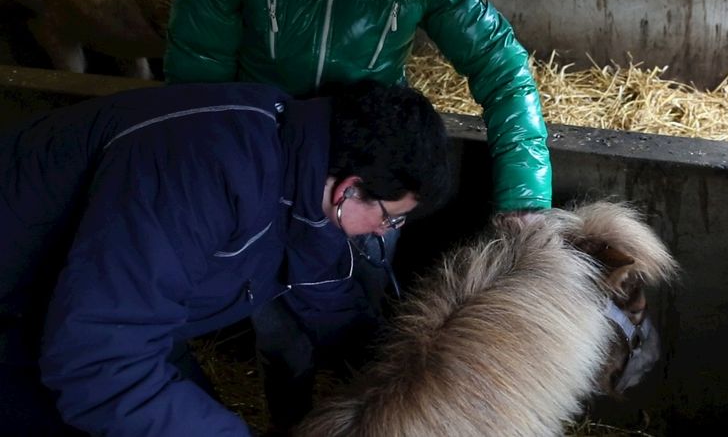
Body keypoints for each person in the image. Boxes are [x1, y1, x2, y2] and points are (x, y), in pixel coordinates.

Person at [163, 0, 552, 429]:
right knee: (279, 331)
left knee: (372, 327)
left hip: (371, 178)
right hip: (269, 179)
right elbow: (194, 86)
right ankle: (291, 420)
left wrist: (526, 193)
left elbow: (503, 68)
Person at [0, 79, 452, 436]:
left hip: (113, 317)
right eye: (389, 218)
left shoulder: (302, 162)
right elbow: (96, 362)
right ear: (348, 189)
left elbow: (322, 288)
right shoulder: (206, 167)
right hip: (22, 317)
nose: (383, 231)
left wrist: (406, 376)